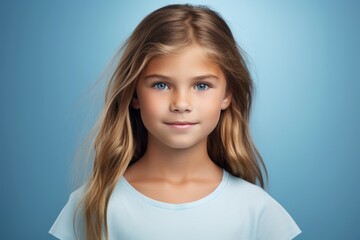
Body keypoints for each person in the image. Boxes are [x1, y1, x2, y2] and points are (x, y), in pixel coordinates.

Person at [49, 4, 301, 240]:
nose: (181, 103)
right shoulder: (93, 206)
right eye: (161, 84)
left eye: (202, 85)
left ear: (227, 95)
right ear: (134, 94)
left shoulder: (257, 211)